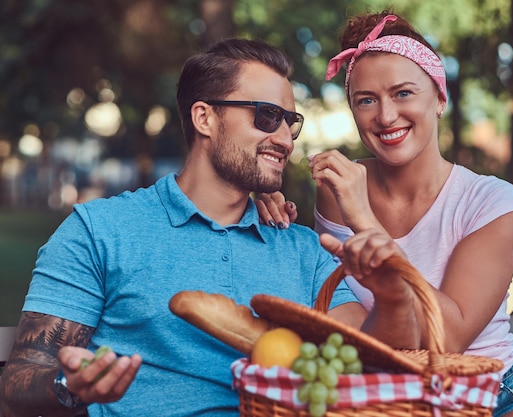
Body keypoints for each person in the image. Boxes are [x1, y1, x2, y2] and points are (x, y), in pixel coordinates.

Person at [0, 38, 420, 417]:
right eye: (267, 116)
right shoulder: (99, 231)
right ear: (204, 117)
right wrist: (69, 387)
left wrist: (390, 289)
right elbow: (19, 380)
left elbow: (374, 356)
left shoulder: (304, 249)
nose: (287, 140)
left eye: (290, 122)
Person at [256, 10, 513, 417]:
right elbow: (329, 289)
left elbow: (449, 337)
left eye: (403, 93)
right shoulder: (336, 189)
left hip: (498, 395)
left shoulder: (493, 201)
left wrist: (365, 220)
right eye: (366, 100)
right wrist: (264, 203)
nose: (385, 116)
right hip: (384, 397)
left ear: (439, 98)